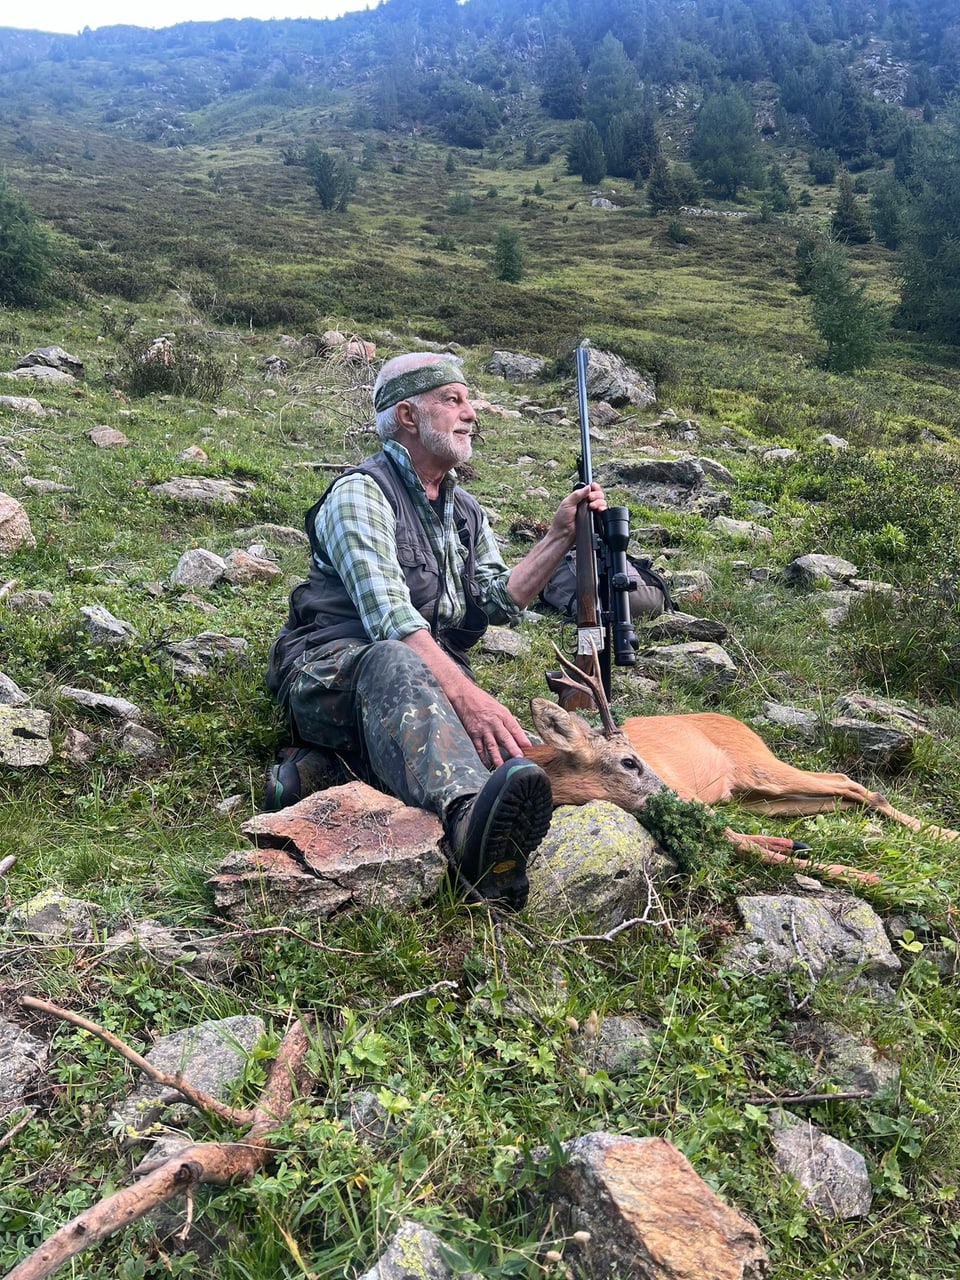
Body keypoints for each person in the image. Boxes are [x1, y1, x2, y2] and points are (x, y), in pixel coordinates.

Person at [264, 351, 607, 910]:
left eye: (469, 400)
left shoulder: (465, 509)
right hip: (332, 675)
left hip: (419, 687)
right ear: (406, 416)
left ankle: (329, 774)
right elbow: (391, 623)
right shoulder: (360, 493)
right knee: (403, 665)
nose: (471, 413)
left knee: (495, 745)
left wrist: (558, 537)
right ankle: (472, 830)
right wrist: (469, 698)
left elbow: (498, 598)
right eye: (454, 400)